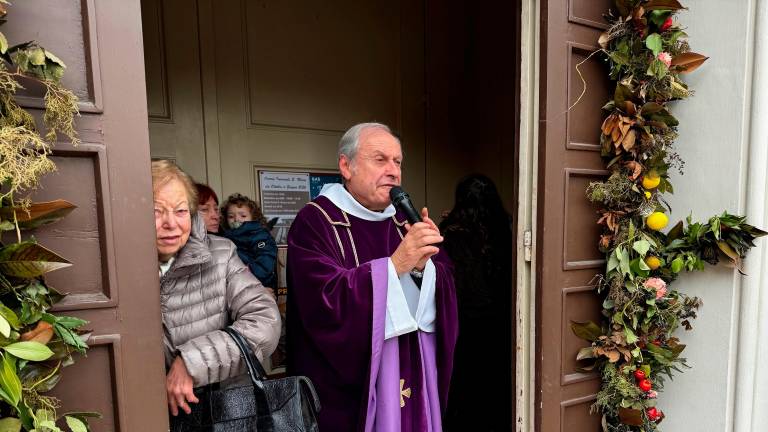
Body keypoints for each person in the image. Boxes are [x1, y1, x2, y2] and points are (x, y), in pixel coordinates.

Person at [286, 122, 458, 431]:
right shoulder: (316, 220)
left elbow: (446, 280)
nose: (393, 171)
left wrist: (423, 267)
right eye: (380, 159)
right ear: (346, 166)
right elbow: (321, 300)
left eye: (398, 162)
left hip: (411, 365)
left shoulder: (404, 220)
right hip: (349, 389)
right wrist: (395, 266)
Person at [152, 160, 281, 418]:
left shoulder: (221, 253)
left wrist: (192, 361)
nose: (171, 223)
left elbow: (265, 321)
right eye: (156, 211)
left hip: (223, 412)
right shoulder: (117, 269)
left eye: (180, 211)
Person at [439, 174, 513, 431]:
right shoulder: (507, 229)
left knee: (464, 382)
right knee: (495, 380)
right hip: (501, 319)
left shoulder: (450, 234)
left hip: (463, 322)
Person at [219, 193, 278, 289]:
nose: (236, 219)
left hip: (259, 286)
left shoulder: (261, 236)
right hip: (235, 288)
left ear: (253, 217)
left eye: (243, 216)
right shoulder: (225, 238)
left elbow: (264, 267)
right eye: (231, 216)